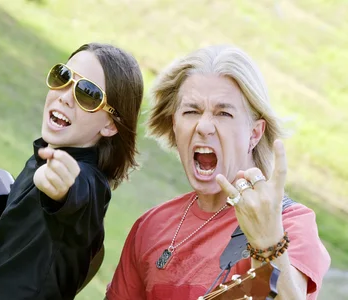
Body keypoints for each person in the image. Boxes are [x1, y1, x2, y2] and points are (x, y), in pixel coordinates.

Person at [105, 45, 330, 300]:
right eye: (191, 111)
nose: (204, 126)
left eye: (223, 113)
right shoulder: (151, 226)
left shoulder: (290, 223)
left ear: (254, 134)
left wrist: (269, 245)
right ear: (174, 125)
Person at [0, 42, 145, 300]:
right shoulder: (44, 156)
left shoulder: (88, 183)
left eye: (87, 93)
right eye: (63, 77)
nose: (65, 96)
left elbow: (80, 196)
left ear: (110, 125)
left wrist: (64, 190)